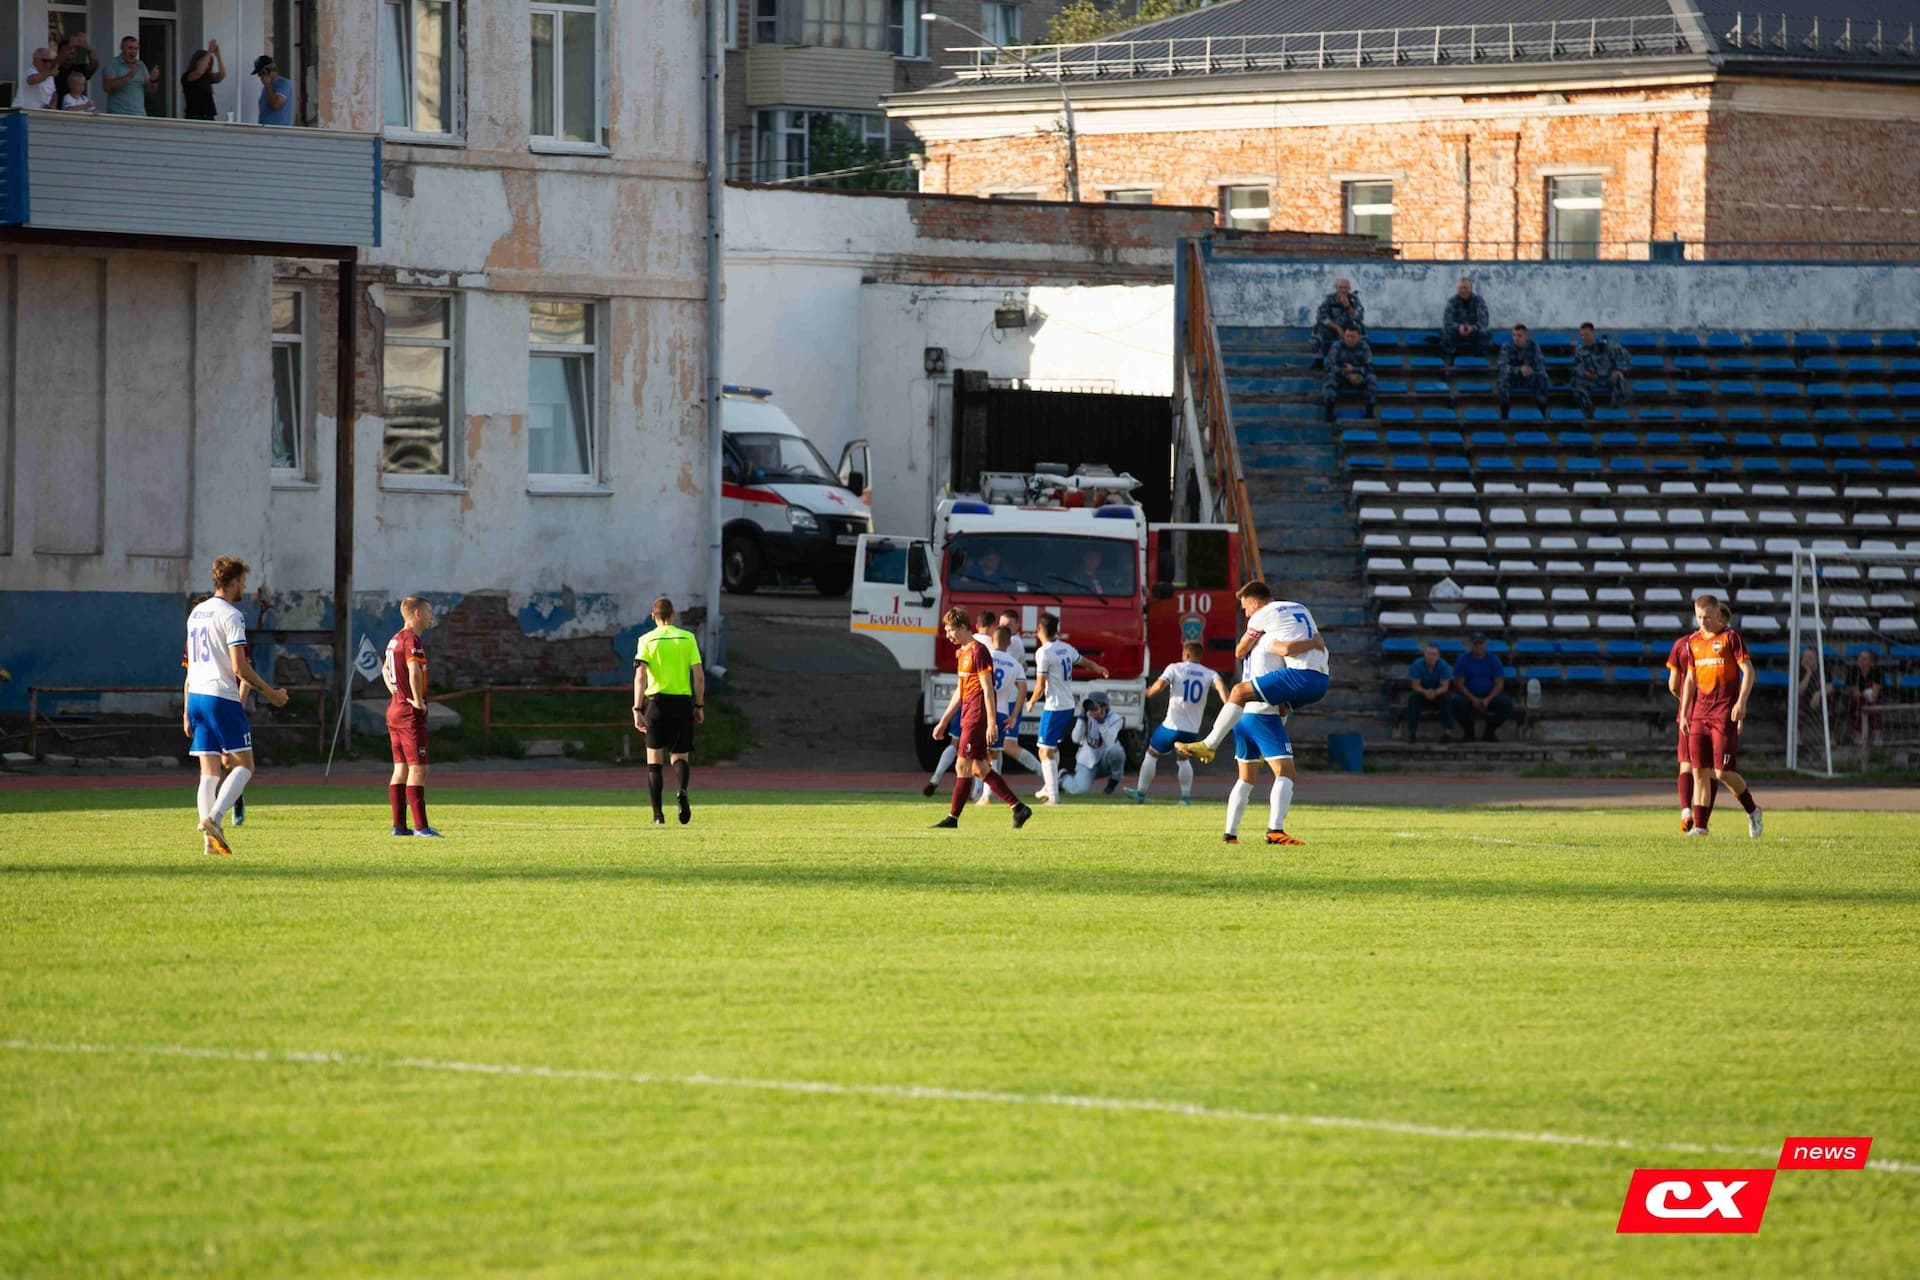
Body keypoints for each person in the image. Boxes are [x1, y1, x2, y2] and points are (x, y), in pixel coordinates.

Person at [1177, 582, 1327, 846]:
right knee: (1286, 773)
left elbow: (1239, 651)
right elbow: (1284, 651)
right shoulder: (1271, 636)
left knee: (1246, 779)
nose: (1246, 615)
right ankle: (1275, 830)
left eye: (1245, 607)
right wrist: (1313, 643)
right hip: (1262, 716)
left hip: (1240, 719)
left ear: (1255, 603)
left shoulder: (1256, 638)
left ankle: (1230, 835)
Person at [182, 556, 289, 856]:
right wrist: (271, 693)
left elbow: (190, 665)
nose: (245, 587)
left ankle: (210, 844)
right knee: (245, 765)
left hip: (197, 697)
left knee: (209, 773)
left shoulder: (196, 614)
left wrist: (186, 707)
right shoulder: (231, 615)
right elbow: (240, 668)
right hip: (220, 697)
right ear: (231, 582)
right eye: (242, 581)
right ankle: (214, 820)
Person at [930, 607, 1033, 830]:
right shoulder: (963, 653)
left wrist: (992, 722)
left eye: (950, 630)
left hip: (978, 716)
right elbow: (960, 690)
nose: (948, 635)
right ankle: (1019, 808)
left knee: (962, 765)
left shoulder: (979, 651)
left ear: (964, 627)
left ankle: (952, 818)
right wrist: (944, 720)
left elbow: (988, 689)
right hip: (967, 714)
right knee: (978, 768)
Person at [1677, 594, 1763, 838]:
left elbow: (1748, 671)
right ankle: (1701, 827)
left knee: (1723, 772)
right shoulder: (1693, 641)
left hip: (1724, 713)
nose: (1702, 622)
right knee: (1699, 771)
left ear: (1717, 615)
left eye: (1707, 617)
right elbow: (1690, 679)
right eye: (1699, 616)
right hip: (1699, 714)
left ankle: (1753, 810)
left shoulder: (1730, 638)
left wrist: (1741, 702)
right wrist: (1684, 713)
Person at [1024, 612, 1111, 804]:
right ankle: (1049, 786)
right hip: (1068, 706)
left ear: (1039, 629)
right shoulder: (1066, 648)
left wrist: (1031, 701)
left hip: (1054, 707)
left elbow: (1040, 684)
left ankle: (1053, 797)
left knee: (1044, 751)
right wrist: (1098, 668)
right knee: (1051, 748)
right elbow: (1083, 661)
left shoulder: (1043, 652)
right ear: (1057, 630)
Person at [1126, 640, 1228, 804]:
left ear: (1186, 654)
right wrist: (1230, 706)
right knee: (1183, 760)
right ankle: (1185, 797)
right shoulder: (1210, 673)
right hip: (1191, 730)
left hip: (1171, 726)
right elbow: (1221, 687)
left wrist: (1148, 692)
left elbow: (1159, 687)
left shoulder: (1175, 668)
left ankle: (1141, 792)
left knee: (1152, 754)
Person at [633, 597, 705, 826]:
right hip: (682, 703)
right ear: (673, 615)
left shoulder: (646, 640)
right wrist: (699, 705)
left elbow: (640, 676)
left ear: (653, 616)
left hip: (655, 703)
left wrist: (637, 708)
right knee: (680, 756)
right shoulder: (687, 638)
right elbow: (699, 676)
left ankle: (657, 816)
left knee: (654, 761)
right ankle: (682, 790)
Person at [382, 595, 440, 838]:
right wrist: (416, 699)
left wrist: (395, 692)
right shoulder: (411, 640)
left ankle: (399, 827)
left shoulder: (394, 639)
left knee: (400, 768)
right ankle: (421, 827)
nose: (431, 616)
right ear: (417, 613)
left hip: (395, 709)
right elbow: (414, 670)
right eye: (428, 611)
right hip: (408, 714)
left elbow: (384, 669)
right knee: (419, 769)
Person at [1666, 615, 1716, 835]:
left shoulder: (1681, 645)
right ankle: (1702, 820)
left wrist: (1684, 702)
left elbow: (1673, 684)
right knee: (1711, 771)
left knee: (1686, 765)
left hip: (1688, 715)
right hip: (1715, 715)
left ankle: (1686, 811)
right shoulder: (1721, 645)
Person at [1448, 631, 1513, 741]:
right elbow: (1459, 684)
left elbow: (1499, 684)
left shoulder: (1493, 659)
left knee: (1506, 704)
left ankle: (1490, 731)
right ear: (1471, 645)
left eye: (1480, 643)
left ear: (1485, 644)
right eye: (1475, 643)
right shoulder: (1463, 660)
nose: (1478, 646)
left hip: (1490, 696)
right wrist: (1473, 699)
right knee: (1455, 702)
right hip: (1468, 696)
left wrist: (1488, 699)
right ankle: (1469, 731)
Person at [1060, 695, 1126, 796]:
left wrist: (1101, 720)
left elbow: (1110, 741)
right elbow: (1075, 739)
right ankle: (1063, 777)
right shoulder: (1086, 716)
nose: (1093, 709)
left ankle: (1112, 783)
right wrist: (1081, 717)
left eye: (1097, 705)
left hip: (1105, 760)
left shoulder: (1116, 718)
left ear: (1105, 706)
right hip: (1087, 762)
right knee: (1079, 792)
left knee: (1116, 750)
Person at [1570, 322, 1631, 415]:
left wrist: (1619, 369)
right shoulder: (1580, 351)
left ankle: (1616, 407)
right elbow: (1577, 366)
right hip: (1591, 378)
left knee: (1619, 378)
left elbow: (1624, 356)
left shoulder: (1607, 346)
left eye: (1586, 335)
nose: (1584, 338)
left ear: (1593, 333)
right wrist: (1586, 373)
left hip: (1607, 376)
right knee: (1575, 382)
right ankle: (1587, 408)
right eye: (1582, 335)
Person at [1323, 325, 1377, 422]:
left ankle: (1369, 412)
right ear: (1344, 336)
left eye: (1353, 337)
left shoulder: (1364, 346)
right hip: (1341, 377)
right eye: (1347, 336)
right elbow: (1330, 366)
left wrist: (1355, 370)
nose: (1350, 339)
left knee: (1371, 378)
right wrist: (1348, 375)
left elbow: (1370, 367)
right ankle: (1329, 413)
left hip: (1359, 377)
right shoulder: (1337, 346)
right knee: (1330, 378)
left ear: (1359, 337)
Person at [1496, 324, 1550, 418]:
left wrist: (1530, 370)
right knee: (1502, 380)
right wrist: (1518, 369)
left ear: (1526, 336)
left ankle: (1542, 412)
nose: (1516, 338)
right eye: (1514, 335)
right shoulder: (1507, 347)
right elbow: (1502, 366)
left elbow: (1540, 364)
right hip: (1514, 377)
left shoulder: (1533, 346)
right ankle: (1504, 414)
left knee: (1543, 378)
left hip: (1529, 376)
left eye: (1519, 336)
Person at [1405, 642, 1456, 742]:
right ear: (1424, 654)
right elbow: (1415, 686)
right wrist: (1426, 692)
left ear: (1438, 656)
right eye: (1428, 654)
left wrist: (1434, 693)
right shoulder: (1417, 665)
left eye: (1434, 654)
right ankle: (1412, 732)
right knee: (1413, 698)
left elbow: (1445, 686)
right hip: (1422, 694)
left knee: (1447, 698)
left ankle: (1448, 733)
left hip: (1438, 694)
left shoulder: (1443, 665)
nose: (1430, 657)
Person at [101, 35, 159, 116]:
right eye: (130, 48)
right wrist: (128, 76)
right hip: (119, 115)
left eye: (136, 49)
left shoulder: (141, 65)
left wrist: (154, 80)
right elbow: (107, 87)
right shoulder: (113, 64)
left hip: (139, 115)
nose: (133, 51)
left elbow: (151, 90)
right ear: (122, 48)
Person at [1440, 276, 1491, 364]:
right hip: (1457, 332)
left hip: (1473, 332)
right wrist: (1458, 327)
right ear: (1457, 289)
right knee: (1445, 332)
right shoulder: (1452, 301)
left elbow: (1484, 321)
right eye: (1460, 288)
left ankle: (1480, 357)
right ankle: (1452, 356)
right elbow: (1447, 321)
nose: (1463, 290)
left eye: (1466, 288)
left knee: (1485, 332)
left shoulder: (1479, 301)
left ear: (1471, 288)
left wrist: (1473, 328)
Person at [1313, 278, 1364, 361]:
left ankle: (1358, 360)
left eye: (1345, 287)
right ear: (1336, 288)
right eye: (1340, 287)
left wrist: (1348, 307)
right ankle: (1318, 360)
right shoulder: (1329, 299)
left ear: (1349, 288)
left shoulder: (1354, 299)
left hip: (1349, 330)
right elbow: (1321, 316)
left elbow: (1359, 317)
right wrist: (1337, 328)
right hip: (1332, 329)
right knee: (1318, 328)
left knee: (1361, 328)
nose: (1343, 290)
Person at [1844, 649, 1883, 747]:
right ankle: (1857, 733)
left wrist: (1867, 694)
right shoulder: (1853, 671)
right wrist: (1867, 694)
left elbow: (1874, 694)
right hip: (1854, 699)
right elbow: (1855, 693)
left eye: (1864, 659)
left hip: (1872, 700)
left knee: (1874, 705)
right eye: (1860, 657)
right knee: (1858, 703)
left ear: (1872, 663)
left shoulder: (1877, 672)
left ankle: (1876, 734)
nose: (1860, 660)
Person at [180, 42, 225, 121]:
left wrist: (218, 55)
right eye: (205, 62)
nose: (207, 65)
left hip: (209, 117)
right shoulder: (187, 76)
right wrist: (209, 52)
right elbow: (199, 72)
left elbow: (221, 75)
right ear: (196, 61)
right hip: (194, 117)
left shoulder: (207, 77)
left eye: (209, 64)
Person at [52, 33, 98, 100]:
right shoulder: (53, 67)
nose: (70, 55)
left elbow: (94, 66)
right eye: (66, 51)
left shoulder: (78, 69)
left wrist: (89, 50)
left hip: (76, 107)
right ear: (59, 53)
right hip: (57, 108)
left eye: (72, 53)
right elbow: (52, 65)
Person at [254, 55, 293, 126]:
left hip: (278, 131)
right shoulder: (267, 88)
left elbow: (276, 105)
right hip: (265, 129)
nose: (260, 77)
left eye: (260, 73)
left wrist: (267, 85)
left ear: (266, 71)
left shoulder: (283, 83)